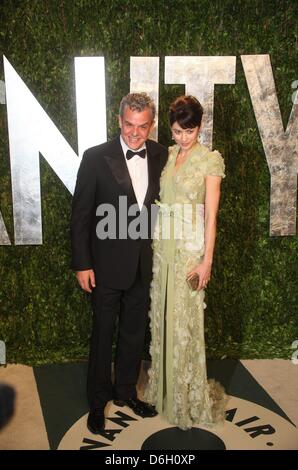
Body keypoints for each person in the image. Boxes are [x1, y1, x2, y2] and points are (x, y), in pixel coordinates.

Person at [70, 92, 168, 433]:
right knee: (102, 335)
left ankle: (126, 393)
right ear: (119, 121)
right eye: (129, 124)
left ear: (151, 125)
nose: (135, 133)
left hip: (143, 264)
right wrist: (83, 264)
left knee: (133, 333)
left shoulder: (160, 154)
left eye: (142, 127)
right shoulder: (96, 157)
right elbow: (80, 215)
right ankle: (98, 403)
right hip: (105, 265)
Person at [144, 95, 227, 430]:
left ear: (200, 126)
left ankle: (186, 398)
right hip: (163, 248)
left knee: (185, 325)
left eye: (188, 131)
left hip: (190, 251)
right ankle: (164, 392)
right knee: (163, 319)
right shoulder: (170, 154)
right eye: (177, 131)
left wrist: (206, 261)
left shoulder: (209, 160)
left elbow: (210, 216)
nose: (182, 137)